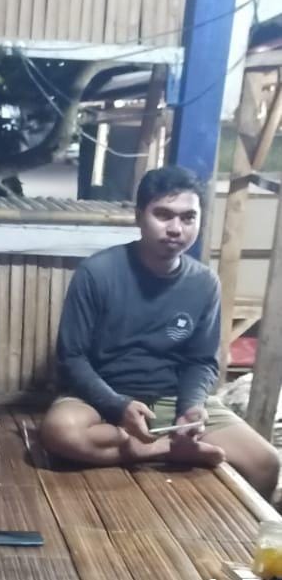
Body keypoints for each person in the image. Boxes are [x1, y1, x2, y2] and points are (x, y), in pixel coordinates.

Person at [41, 166, 280, 496]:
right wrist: (118, 405)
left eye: (188, 217)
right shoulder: (97, 272)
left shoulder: (204, 283)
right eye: (163, 215)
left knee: (266, 462)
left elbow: (201, 361)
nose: (175, 228)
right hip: (101, 397)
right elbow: (72, 357)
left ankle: (237, 532)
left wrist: (191, 407)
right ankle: (165, 449)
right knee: (60, 431)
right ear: (140, 216)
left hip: (171, 399)